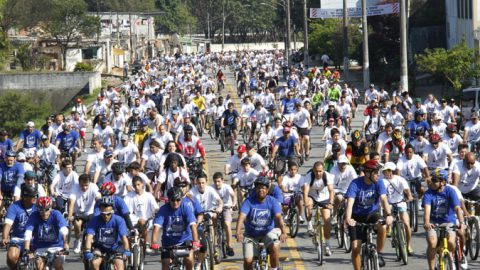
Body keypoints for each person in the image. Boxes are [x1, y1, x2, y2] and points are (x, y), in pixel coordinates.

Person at [344, 159, 394, 269]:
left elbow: (383, 199)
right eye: (376, 172)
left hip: (372, 214)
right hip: (356, 217)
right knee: (356, 248)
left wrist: (389, 214)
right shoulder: (355, 183)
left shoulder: (379, 183)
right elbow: (350, 202)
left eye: (378, 172)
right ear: (367, 173)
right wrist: (348, 218)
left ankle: (379, 254)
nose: (378, 174)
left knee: (383, 226)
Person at [236, 176, 286, 270]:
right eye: (258, 187)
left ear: (267, 190)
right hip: (251, 235)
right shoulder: (248, 201)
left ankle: (274, 268)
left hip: (268, 232)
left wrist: (283, 232)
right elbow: (242, 216)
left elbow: (278, 217)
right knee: (248, 261)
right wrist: (238, 232)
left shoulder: (272, 201)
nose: (260, 190)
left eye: (263, 188)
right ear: (255, 189)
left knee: (275, 246)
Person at [423, 169, 465, 270]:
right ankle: (432, 268)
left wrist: (462, 222)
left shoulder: (450, 191)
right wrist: (427, 222)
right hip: (433, 222)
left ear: (443, 182)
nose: (432, 182)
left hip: (448, 222)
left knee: (451, 242)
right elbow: (427, 209)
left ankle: (450, 257)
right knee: (432, 243)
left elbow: (457, 208)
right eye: (432, 180)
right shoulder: (428, 193)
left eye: (435, 181)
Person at [151, 187, 200, 270]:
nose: (175, 202)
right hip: (168, 242)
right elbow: (157, 226)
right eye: (173, 200)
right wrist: (154, 242)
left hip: (185, 241)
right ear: (168, 200)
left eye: (178, 200)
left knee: (189, 259)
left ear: (181, 199)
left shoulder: (186, 207)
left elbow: (193, 225)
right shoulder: (163, 209)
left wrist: (195, 241)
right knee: (165, 264)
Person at [83, 196, 131, 270]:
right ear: (100, 210)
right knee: (94, 263)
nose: (106, 216)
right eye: (103, 214)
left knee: (120, 267)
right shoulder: (94, 220)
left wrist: (127, 250)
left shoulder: (119, 220)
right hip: (100, 247)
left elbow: (124, 237)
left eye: (108, 214)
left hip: (116, 248)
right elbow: (89, 236)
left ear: (112, 210)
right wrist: (87, 250)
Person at [23, 196, 69, 270]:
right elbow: (28, 232)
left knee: (58, 264)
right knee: (39, 265)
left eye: (47, 209)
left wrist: (66, 245)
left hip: (57, 246)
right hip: (40, 247)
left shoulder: (56, 214)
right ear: (38, 209)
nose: (44, 213)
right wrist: (26, 249)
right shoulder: (34, 215)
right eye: (41, 210)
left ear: (51, 208)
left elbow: (64, 230)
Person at [379, 162, 414, 254]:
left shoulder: (400, 179)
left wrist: (409, 196)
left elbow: (406, 189)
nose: (384, 173)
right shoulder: (382, 181)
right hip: (388, 203)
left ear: (391, 171)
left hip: (400, 203)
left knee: (406, 223)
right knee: (387, 212)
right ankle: (389, 228)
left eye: (386, 171)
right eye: (384, 171)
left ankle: (409, 245)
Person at [302, 162, 335, 256]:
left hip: (324, 198)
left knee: (327, 220)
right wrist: (306, 204)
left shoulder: (327, 176)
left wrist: (331, 202)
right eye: (316, 171)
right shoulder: (309, 176)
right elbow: (305, 192)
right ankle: (309, 224)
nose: (318, 173)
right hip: (312, 196)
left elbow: (331, 190)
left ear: (323, 170)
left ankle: (327, 245)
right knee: (308, 205)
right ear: (313, 170)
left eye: (320, 171)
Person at [2, 186, 38, 269]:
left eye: (36, 195)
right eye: (33, 196)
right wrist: (4, 238)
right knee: (11, 257)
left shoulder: (38, 206)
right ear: (25, 197)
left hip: (35, 238)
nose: (35, 198)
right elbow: (8, 224)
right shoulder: (14, 207)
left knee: (39, 261)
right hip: (18, 238)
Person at [67, 174, 102, 254]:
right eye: (82, 185)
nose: (84, 187)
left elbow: (98, 198)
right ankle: (78, 240)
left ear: (89, 183)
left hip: (90, 212)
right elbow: (71, 202)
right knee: (77, 224)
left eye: (86, 185)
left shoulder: (93, 186)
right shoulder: (74, 188)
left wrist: (99, 204)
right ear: (79, 183)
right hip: (78, 213)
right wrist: (70, 215)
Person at [123, 176, 159, 253]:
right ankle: (131, 260)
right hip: (133, 219)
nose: (137, 187)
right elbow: (125, 209)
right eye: (134, 185)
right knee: (131, 238)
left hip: (147, 219)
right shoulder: (128, 196)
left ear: (142, 184)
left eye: (138, 184)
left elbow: (156, 207)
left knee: (143, 222)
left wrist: (156, 211)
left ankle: (146, 243)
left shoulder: (148, 195)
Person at [211, 172, 236, 256]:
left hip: (226, 207)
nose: (217, 183)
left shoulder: (227, 187)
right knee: (212, 226)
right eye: (215, 181)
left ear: (222, 181)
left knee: (227, 224)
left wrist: (233, 204)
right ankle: (214, 246)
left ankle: (229, 246)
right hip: (215, 209)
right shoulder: (211, 188)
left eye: (218, 181)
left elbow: (233, 196)